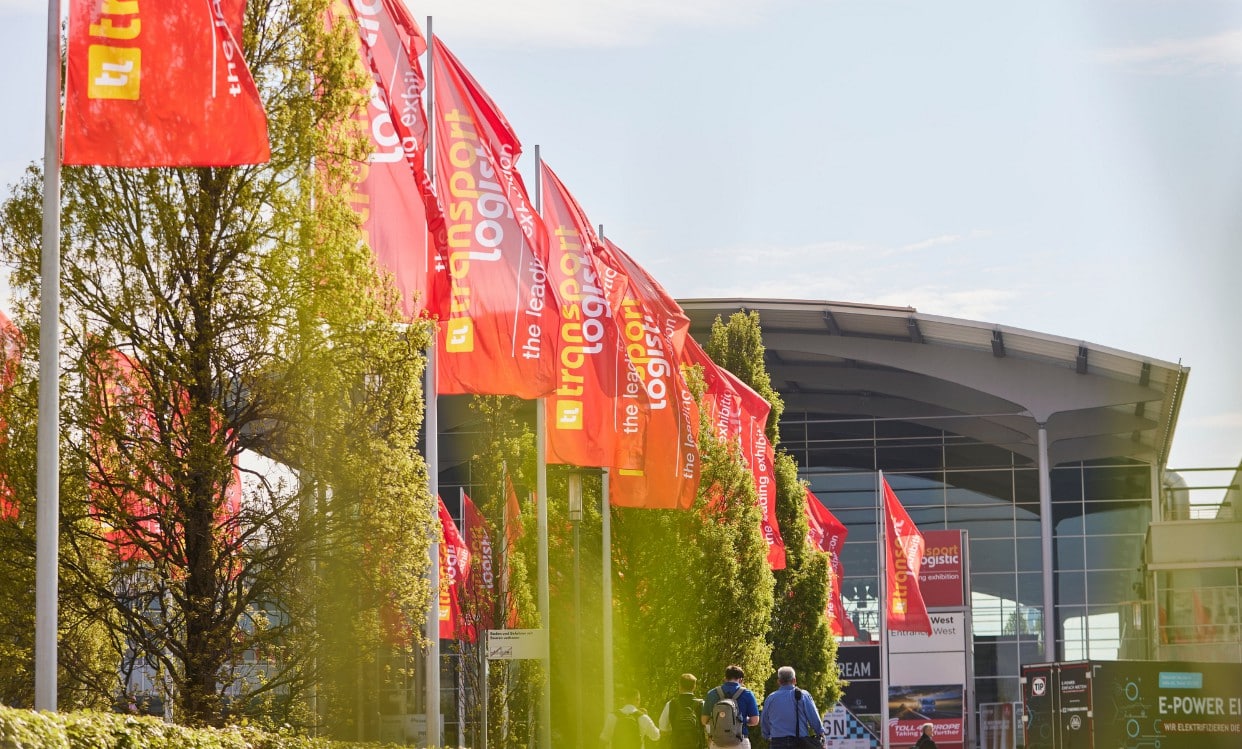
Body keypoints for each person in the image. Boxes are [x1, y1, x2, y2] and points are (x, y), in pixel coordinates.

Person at [760, 666, 825, 748]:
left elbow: (764, 721)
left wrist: (767, 735)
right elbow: (814, 718)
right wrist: (821, 736)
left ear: (779, 681)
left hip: (777, 743)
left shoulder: (771, 698)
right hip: (799, 743)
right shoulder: (803, 695)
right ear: (794, 680)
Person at [702, 665, 760, 749]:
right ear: (741, 680)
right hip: (740, 741)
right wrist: (741, 720)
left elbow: (704, 720)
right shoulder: (747, 694)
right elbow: (755, 721)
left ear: (725, 678)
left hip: (718, 742)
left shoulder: (712, 693)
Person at [660, 673, 707, 749]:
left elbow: (662, 728)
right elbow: (710, 729)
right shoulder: (702, 704)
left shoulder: (671, 704)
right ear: (694, 687)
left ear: (680, 686)